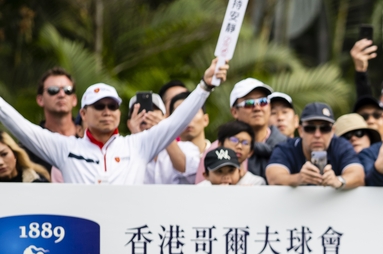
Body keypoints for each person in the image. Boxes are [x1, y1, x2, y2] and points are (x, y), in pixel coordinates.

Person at [0, 59, 228, 184]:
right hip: (85, 240)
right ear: (84, 114)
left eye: (112, 106)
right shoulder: (65, 147)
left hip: (127, 243)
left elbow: (176, 122)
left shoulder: (137, 144)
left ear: (119, 113)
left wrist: (204, 87)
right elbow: (21, 127)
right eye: (99, 106)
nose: (107, 111)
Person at [194, 78, 287, 183]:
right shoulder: (218, 150)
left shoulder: (285, 145)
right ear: (234, 112)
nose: (257, 108)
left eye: (263, 101)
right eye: (249, 103)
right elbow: (202, 190)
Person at [266, 102, 364, 189]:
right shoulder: (286, 147)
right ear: (300, 131)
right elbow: (274, 177)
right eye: (310, 128)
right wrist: (299, 178)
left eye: (325, 128)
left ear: (332, 131)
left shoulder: (341, 145)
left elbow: (358, 175)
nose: (317, 135)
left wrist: (338, 181)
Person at [126, 93, 200, 185]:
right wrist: (137, 137)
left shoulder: (187, 147)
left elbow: (189, 172)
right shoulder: (122, 151)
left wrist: (164, 131)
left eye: (152, 110)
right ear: (129, 123)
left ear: (165, 117)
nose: (146, 115)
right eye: (139, 111)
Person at [216, 120, 266, 185]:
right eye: (234, 140)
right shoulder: (207, 184)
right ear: (220, 144)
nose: (239, 146)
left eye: (245, 143)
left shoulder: (256, 183)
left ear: (250, 152)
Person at [170, 91, 211, 159]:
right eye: (180, 113)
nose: (187, 119)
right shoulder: (163, 160)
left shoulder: (221, 154)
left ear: (205, 119)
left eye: (193, 112)